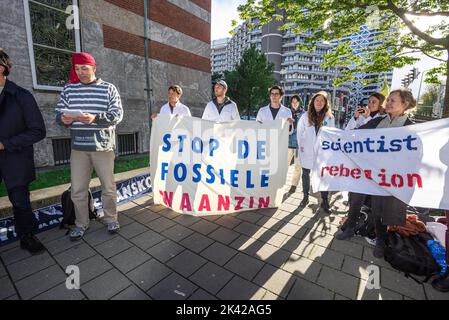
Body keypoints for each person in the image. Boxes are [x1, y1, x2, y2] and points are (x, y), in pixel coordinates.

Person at [55, 52, 123, 241]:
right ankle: (81, 223)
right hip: (78, 147)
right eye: (77, 69)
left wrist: (96, 118)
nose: (81, 72)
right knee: (77, 189)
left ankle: (111, 218)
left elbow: (117, 114)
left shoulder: (109, 88)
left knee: (108, 187)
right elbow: (58, 114)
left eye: (84, 68)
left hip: (102, 146)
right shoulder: (69, 89)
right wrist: (64, 119)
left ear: (94, 68)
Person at [356, 88, 416, 258]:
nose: (387, 103)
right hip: (376, 176)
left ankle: (388, 237)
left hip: (395, 179)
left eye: (392, 101)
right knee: (376, 209)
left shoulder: (411, 128)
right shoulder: (379, 121)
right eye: (388, 100)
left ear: (404, 104)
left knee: (391, 211)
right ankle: (380, 240)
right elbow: (359, 133)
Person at [0, 49, 46, 254]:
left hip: (15, 160)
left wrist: (5, 144)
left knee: (20, 203)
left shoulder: (21, 95)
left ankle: (27, 236)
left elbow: (38, 131)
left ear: (1, 69)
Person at [336, 92, 386, 240]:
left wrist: (368, 117)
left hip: (374, 166)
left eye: (374, 102)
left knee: (371, 199)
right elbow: (348, 132)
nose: (370, 104)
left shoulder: (381, 120)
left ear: (380, 105)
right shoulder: (363, 117)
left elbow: (372, 133)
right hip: (358, 163)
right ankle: (350, 225)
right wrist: (356, 117)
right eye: (369, 101)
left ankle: (370, 228)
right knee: (355, 195)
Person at [296, 91, 335, 213]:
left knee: (323, 177)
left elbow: (332, 134)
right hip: (307, 151)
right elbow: (299, 133)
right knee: (305, 174)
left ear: (325, 103)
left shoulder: (329, 117)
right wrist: (301, 147)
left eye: (322, 101)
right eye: (317, 100)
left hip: (322, 153)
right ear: (313, 102)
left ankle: (325, 201)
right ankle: (305, 197)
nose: (319, 102)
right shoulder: (305, 116)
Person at [287, 95, 304, 194]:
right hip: (287, 143)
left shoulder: (304, 114)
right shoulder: (286, 112)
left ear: (299, 103)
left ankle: (294, 185)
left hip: (298, 144)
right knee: (284, 165)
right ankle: (281, 183)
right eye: (293, 102)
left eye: (296, 102)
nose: (294, 103)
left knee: (298, 166)